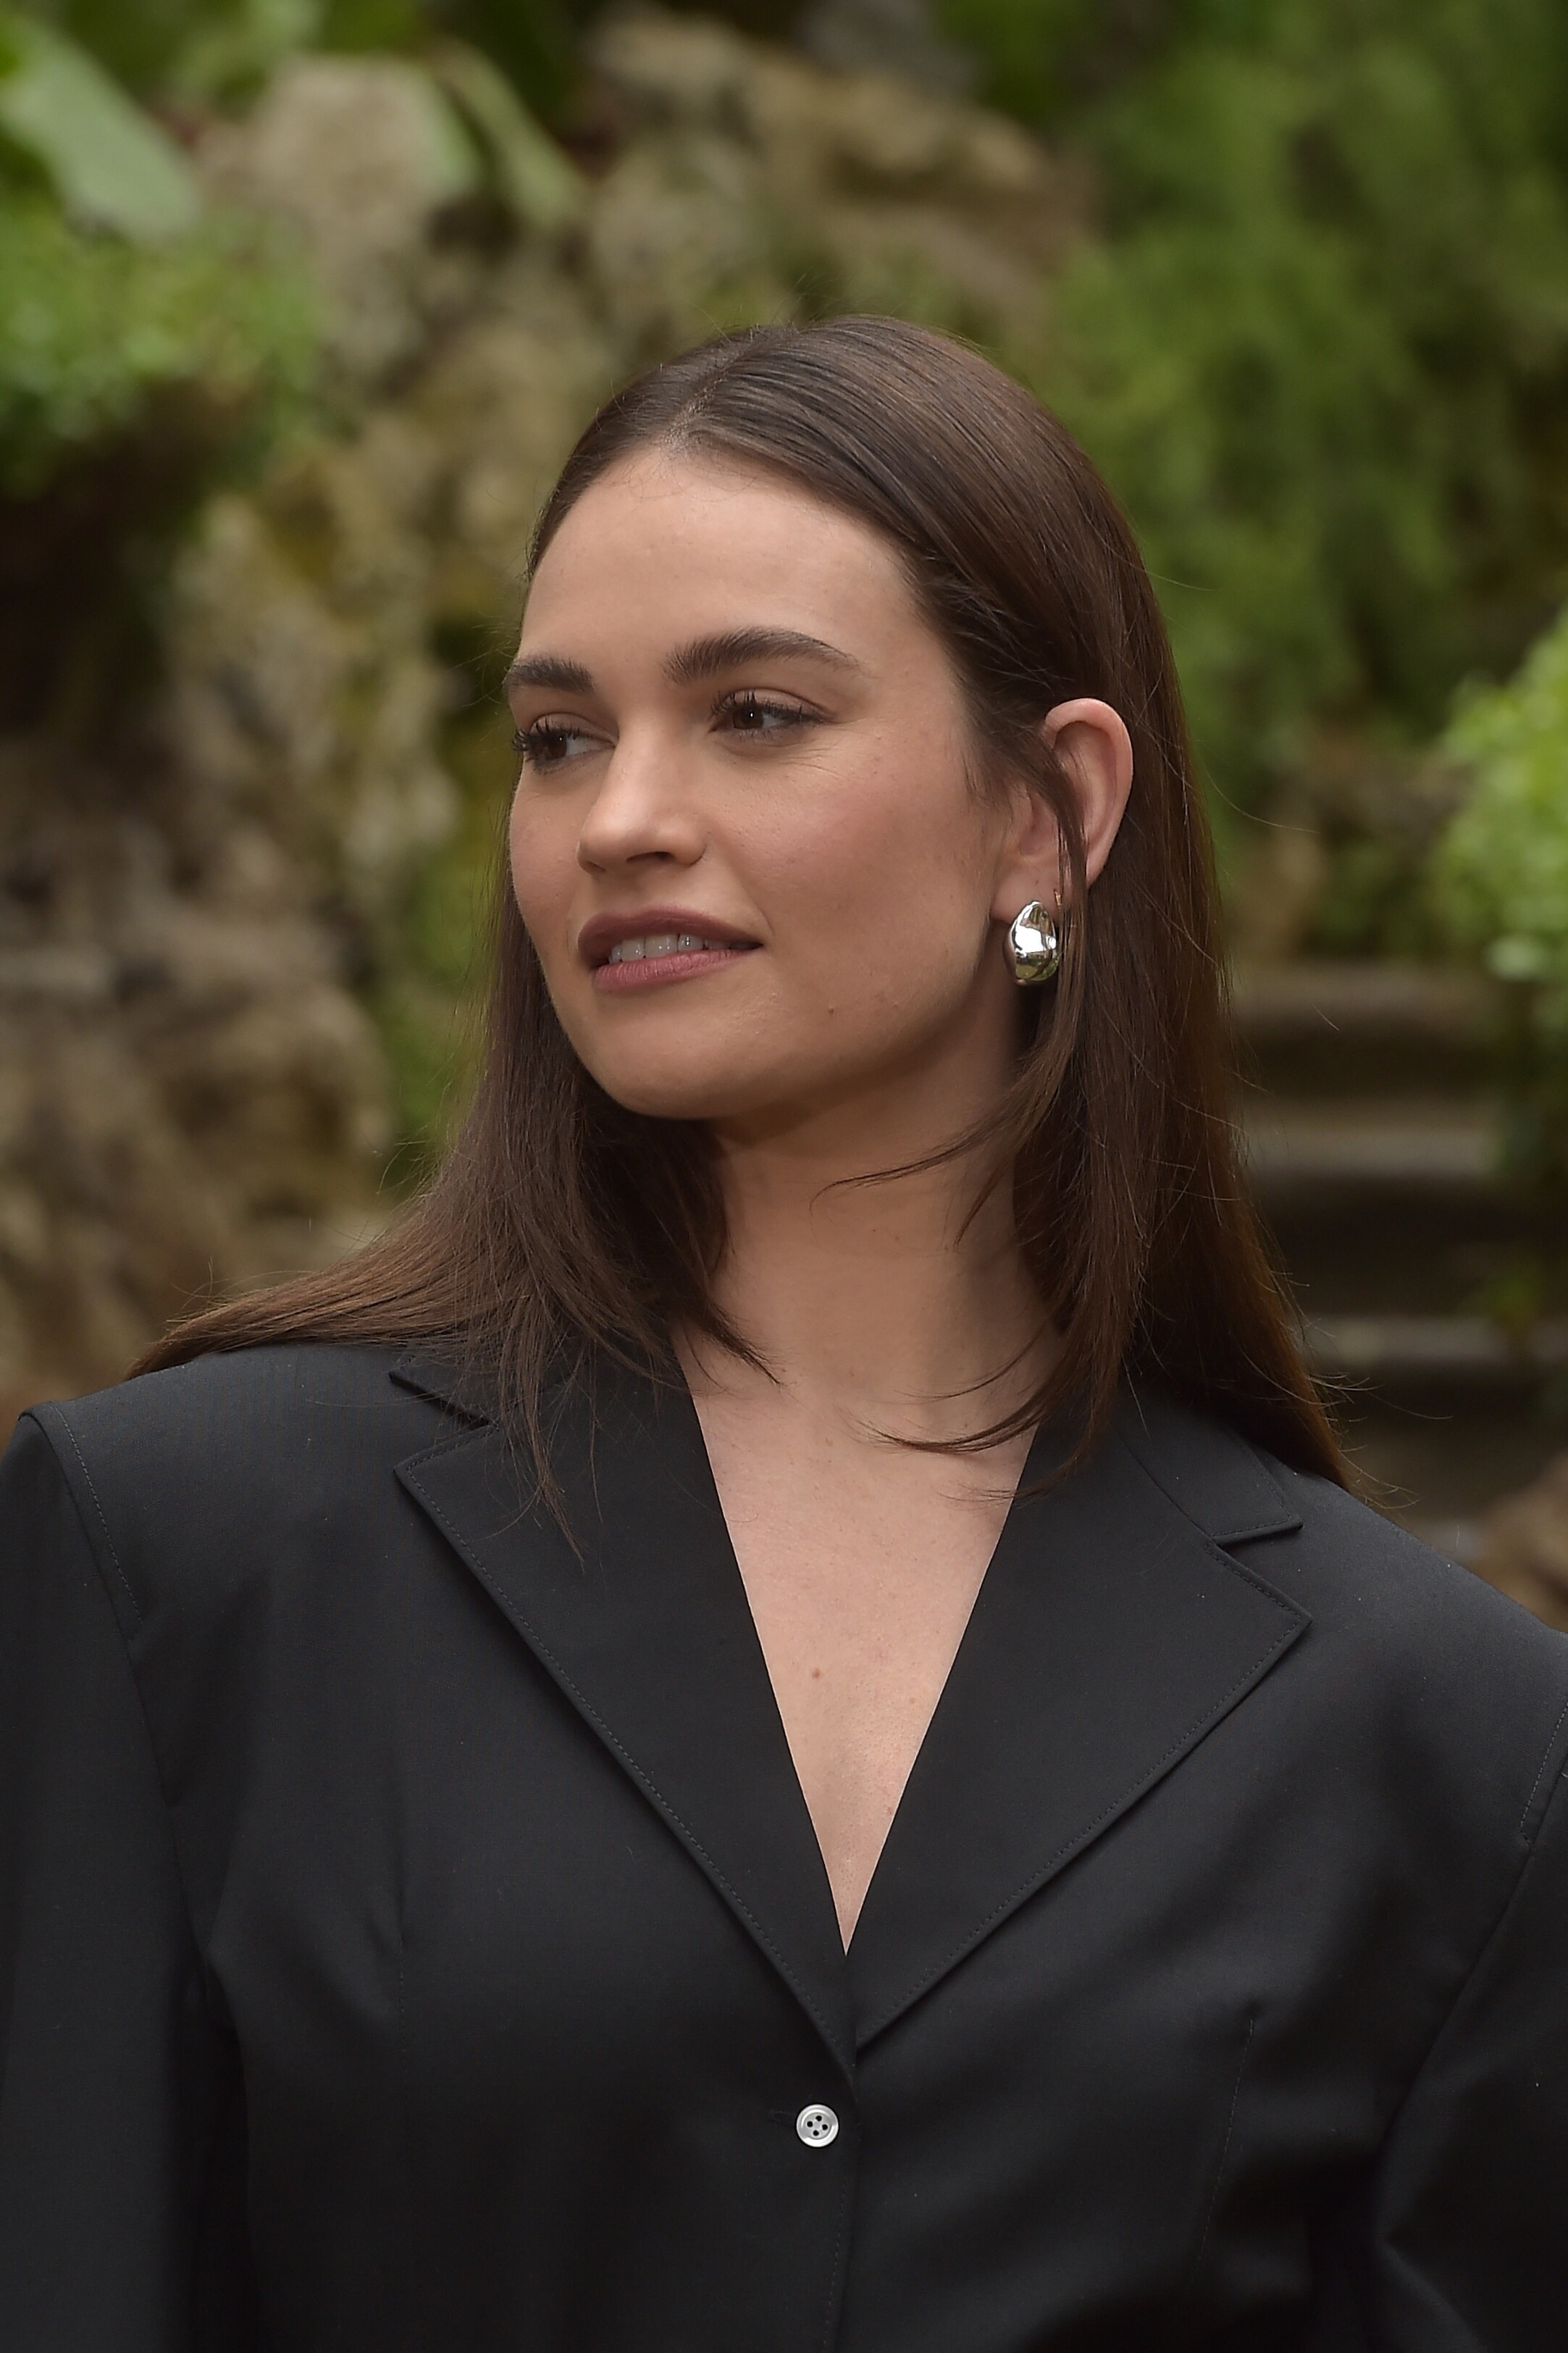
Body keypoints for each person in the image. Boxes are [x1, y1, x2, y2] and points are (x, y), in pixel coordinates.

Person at [1, 316, 1565, 2352]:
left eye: (754, 713)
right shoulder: (177, 1555)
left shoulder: (1445, 1738)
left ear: (1049, 811)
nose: (620, 817)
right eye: (559, 738)